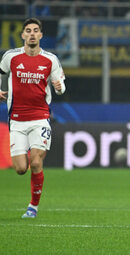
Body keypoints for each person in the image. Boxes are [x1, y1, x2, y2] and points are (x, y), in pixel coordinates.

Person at [0, 18, 66, 218]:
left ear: (40, 35)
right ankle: (32, 194)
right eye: (28, 30)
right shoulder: (10, 57)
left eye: (35, 30)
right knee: (21, 168)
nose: (31, 34)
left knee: (36, 162)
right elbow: (1, 73)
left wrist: (59, 87)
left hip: (40, 118)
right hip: (17, 121)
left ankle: (33, 207)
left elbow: (61, 86)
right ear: (22, 35)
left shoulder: (50, 59)